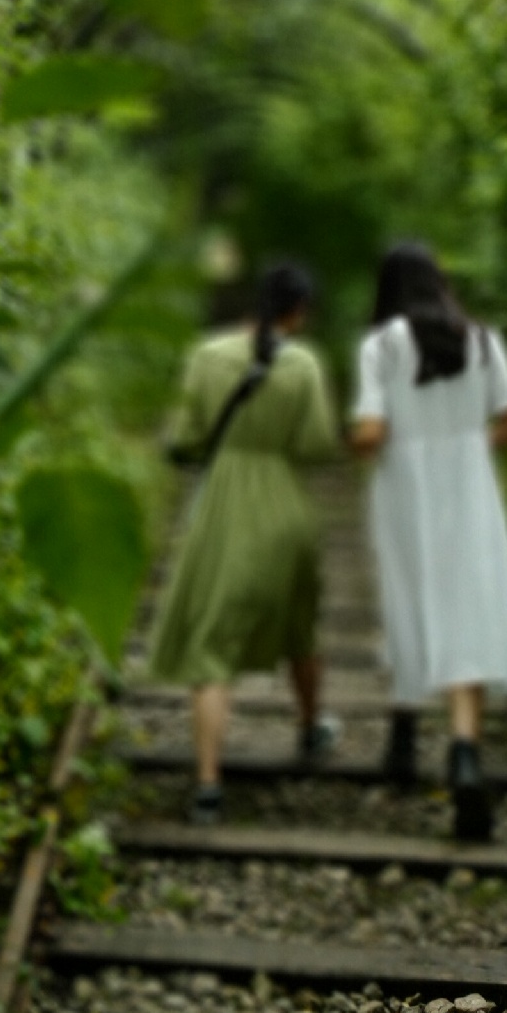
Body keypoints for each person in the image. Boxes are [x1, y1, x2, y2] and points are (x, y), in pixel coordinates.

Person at [350, 241, 507, 841]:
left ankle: (404, 735)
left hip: (405, 489)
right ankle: (463, 751)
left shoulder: (379, 347)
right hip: (471, 487)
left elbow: (372, 431)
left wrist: (358, 441)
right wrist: (464, 447)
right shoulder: (484, 340)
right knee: (467, 608)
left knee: (409, 602)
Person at [148, 260, 338, 823]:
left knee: (212, 645)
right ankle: (309, 729)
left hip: (223, 509)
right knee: (302, 626)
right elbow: (317, 445)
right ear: (298, 311)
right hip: (285, 508)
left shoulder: (206, 355)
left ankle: (208, 783)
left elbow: (184, 439)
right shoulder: (304, 363)